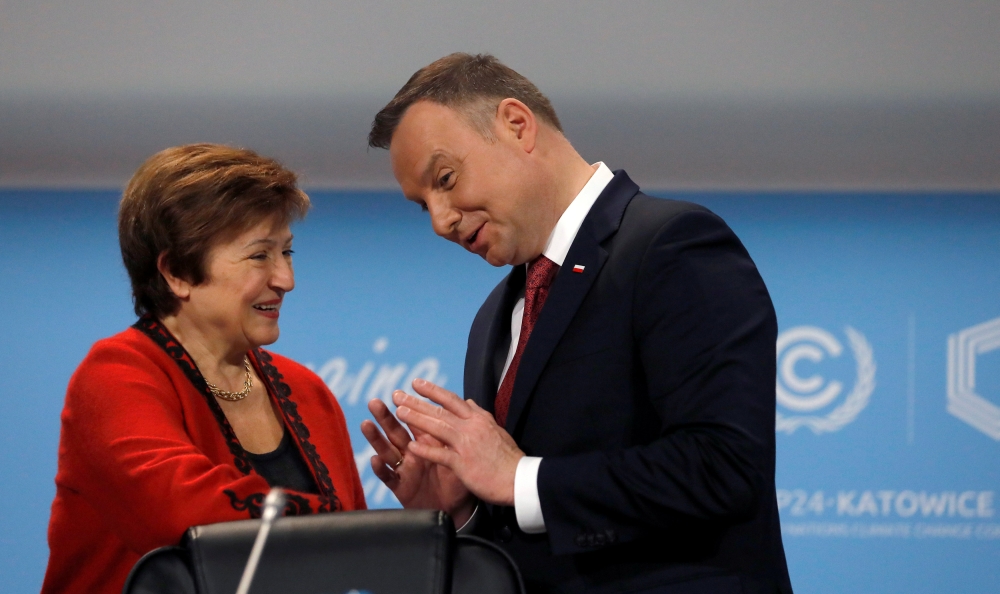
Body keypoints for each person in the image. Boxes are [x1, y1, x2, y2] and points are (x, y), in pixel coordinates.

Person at [361, 54, 793, 593]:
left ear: (517, 125)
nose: (441, 220)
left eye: (445, 179)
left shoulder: (671, 245)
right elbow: (530, 528)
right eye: (421, 205)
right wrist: (465, 513)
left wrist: (519, 478)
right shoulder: (493, 318)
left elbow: (724, 466)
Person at [42, 144, 366, 594]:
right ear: (177, 272)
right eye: (260, 256)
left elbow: (357, 565)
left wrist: (427, 513)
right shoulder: (116, 374)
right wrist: (353, 531)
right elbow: (185, 519)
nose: (286, 279)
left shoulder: (306, 390)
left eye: (287, 252)